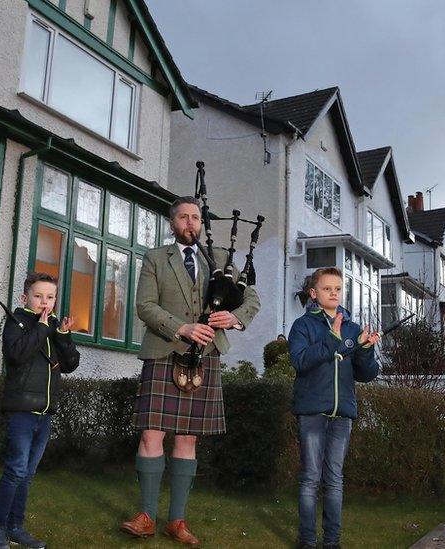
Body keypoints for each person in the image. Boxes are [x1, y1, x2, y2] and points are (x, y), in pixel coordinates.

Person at [119, 196, 260, 546]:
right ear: (172, 223)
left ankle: (177, 521)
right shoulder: (155, 258)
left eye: (195, 217)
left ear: (201, 222)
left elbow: (251, 299)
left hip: (207, 355)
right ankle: (147, 515)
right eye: (183, 217)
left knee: (187, 439)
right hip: (164, 352)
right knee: (152, 435)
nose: (190, 223)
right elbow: (144, 305)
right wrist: (181, 328)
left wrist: (236, 318)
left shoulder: (222, 260)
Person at [0, 272, 80, 549]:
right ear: (25, 297)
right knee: (15, 470)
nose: (44, 302)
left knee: (27, 474)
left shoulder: (52, 326)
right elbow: (16, 355)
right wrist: (40, 328)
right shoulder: (18, 322)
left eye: (50, 297)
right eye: (38, 296)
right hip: (22, 411)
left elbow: (71, 364)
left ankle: (16, 527)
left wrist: (62, 335)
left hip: (45, 413)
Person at [287, 267, 380, 549]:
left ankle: (332, 542)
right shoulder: (302, 326)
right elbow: (300, 362)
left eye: (338, 289)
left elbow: (367, 374)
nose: (334, 293)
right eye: (327, 289)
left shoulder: (354, 328)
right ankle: (307, 540)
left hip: (343, 415)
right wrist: (331, 340)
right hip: (312, 412)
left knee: (335, 479)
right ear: (314, 294)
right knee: (311, 478)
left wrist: (364, 349)